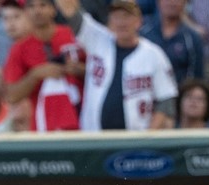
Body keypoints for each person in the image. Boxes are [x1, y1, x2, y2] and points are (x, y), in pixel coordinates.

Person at [53, 0, 178, 131]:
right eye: (117, 17)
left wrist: (147, 137)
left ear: (139, 21)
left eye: (127, 17)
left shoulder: (154, 54)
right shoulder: (97, 39)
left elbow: (166, 100)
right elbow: (69, 9)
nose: (122, 22)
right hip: (95, 138)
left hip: (136, 141)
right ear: (110, 21)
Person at [2, 0, 85, 132]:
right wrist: (35, 75)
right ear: (26, 12)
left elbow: (100, 71)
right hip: (43, 125)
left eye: (43, 5)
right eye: (32, 6)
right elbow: (11, 96)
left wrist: (78, 70)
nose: (37, 11)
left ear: (54, 9)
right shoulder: (19, 48)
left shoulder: (73, 35)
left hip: (82, 117)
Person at [140, 0, 207, 84]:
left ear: (185, 3)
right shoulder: (143, 32)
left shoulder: (192, 39)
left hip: (179, 93)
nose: (172, 2)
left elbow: (197, 79)